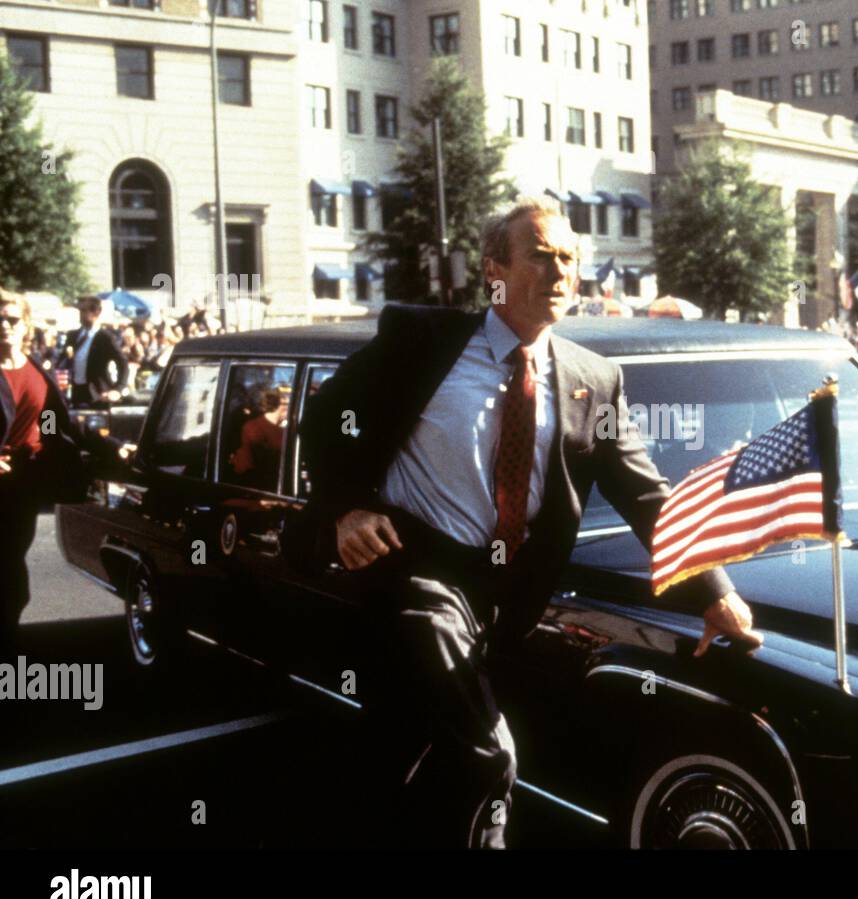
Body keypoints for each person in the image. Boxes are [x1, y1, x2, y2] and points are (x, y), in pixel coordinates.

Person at [298, 199, 759, 849]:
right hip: (415, 572)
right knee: (488, 754)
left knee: (406, 748)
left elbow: (644, 494)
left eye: (569, 257)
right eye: (540, 256)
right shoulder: (421, 342)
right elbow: (328, 419)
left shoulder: (594, 379)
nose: (559, 271)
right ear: (494, 269)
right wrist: (345, 506)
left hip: (511, 597)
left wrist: (715, 590)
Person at [1, 293, 123, 657]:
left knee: (12, 566)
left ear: (25, 325)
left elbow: (58, 422)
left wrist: (113, 446)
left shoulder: (35, 369)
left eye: (12, 320)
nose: (5, 326)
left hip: (23, 483)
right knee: (6, 571)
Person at [59, 296, 128, 406]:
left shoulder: (105, 337)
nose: (80, 314)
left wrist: (118, 389)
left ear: (96, 312)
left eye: (83, 310)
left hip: (98, 394)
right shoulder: (73, 336)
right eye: (80, 311)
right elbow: (62, 361)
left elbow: (122, 362)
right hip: (76, 393)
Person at [229, 387, 288, 491]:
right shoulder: (253, 429)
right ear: (280, 405)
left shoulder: (286, 430)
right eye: (288, 403)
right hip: (258, 490)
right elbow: (247, 467)